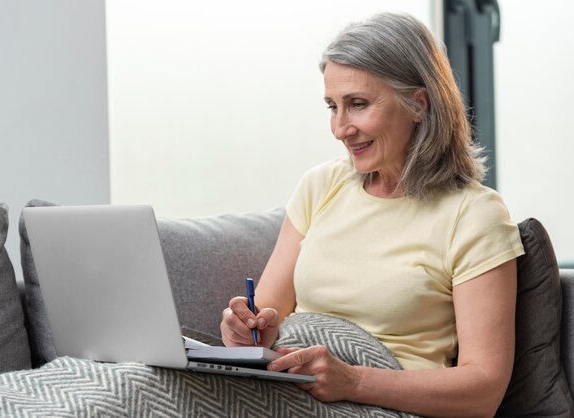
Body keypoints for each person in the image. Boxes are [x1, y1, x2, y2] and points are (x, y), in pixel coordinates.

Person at [220, 12, 525, 417]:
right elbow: (268, 318)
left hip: (382, 403)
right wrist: (245, 329)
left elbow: (484, 389)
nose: (340, 128)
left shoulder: (474, 215)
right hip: (295, 386)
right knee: (128, 382)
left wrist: (355, 380)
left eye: (358, 105)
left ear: (418, 104)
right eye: (332, 106)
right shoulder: (321, 185)